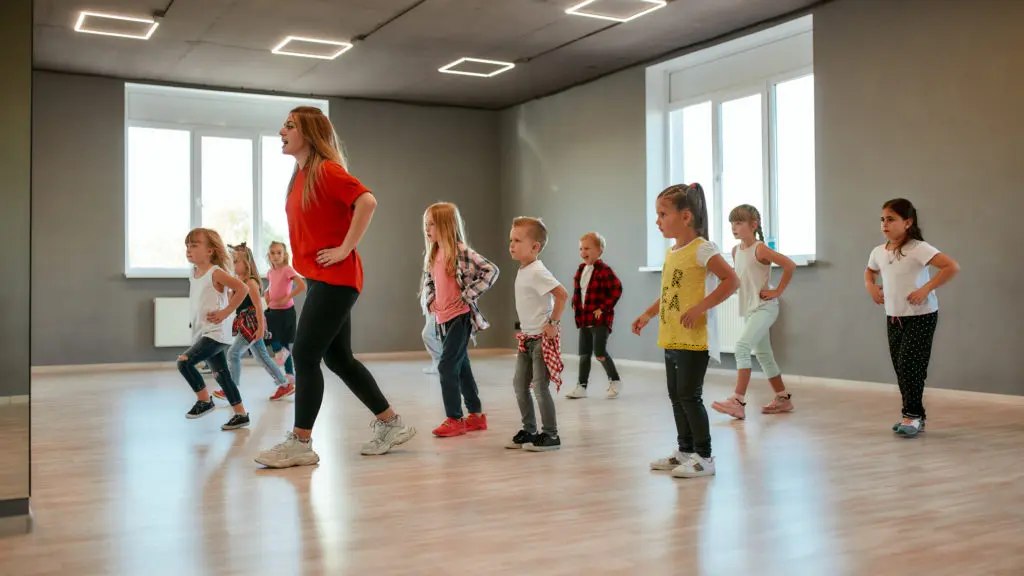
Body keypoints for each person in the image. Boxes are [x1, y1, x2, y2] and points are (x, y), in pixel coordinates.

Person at [255, 106, 416, 468]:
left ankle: (301, 442)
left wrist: (345, 247)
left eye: (290, 125)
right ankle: (391, 423)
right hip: (321, 279)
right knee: (338, 358)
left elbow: (367, 201)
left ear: (309, 134)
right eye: (283, 123)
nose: (282, 130)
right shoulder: (300, 175)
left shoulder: (326, 170)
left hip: (337, 278)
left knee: (306, 355)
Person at [632, 184, 739, 478]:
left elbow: (731, 281)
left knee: (690, 396)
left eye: (663, 214)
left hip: (695, 338)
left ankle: (704, 457)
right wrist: (648, 314)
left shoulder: (703, 248)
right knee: (676, 396)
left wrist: (701, 307)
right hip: (672, 334)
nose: (658, 221)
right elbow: (668, 293)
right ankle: (685, 450)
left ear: (686, 216)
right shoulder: (672, 252)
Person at [865, 198, 959, 438]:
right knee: (901, 367)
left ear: (907, 222)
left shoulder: (919, 248)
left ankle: (912, 416)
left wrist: (925, 289)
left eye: (891, 219)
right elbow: (870, 271)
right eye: (882, 220)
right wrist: (871, 286)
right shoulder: (878, 251)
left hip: (921, 316)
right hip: (894, 317)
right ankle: (914, 415)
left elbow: (950, 267)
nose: (885, 224)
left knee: (911, 365)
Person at [420, 202, 499, 437]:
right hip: (442, 318)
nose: (427, 229)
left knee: (446, 366)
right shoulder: (433, 253)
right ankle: (476, 416)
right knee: (462, 367)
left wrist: (467, 295)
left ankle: (454, 418)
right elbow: (429, 280)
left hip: (461, 318)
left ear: (446, 226)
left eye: (432, 224)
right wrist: (431, 300)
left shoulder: (462, 252)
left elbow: (491, 271)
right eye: (426, 224)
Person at [711, 205, 796, 419]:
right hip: (750, 310)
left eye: (739, 223)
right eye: (732, 223)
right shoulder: (735, 251)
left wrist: (778, 290)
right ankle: (783, 398)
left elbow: (789, 265)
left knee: (741, 347)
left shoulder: (760, 249)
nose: (734, 227)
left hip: (765, 308)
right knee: (764, 355)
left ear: (753, 225)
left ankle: (738, 401)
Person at [177, 228, 251, 431]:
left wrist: (226, 311)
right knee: (221, 374)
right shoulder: (194, 272)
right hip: (204, 331)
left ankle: (204, 401)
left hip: (216, 332)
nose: (188, 250)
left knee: (184, 362)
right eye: (187, 246)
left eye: (194, 245)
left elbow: (242, 288)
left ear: (210, 251)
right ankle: (241, 414)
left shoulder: (216, 273)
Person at [506, 217, 568, 452]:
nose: (511, 244)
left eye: (517, 240)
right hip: (527, 339)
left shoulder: (538, 271)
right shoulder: (524, 270)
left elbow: (562, 295)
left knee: (540, 388)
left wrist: (553, 323)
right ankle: (529, 430)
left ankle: (551, 435)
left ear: (535, 247)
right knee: (520, 385)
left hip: (542, 339)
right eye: (511, 240)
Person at [566, 231, 624, 400]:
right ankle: (581, 386)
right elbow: (580, 291)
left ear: (599, 251)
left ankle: (615, 380)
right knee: (584, 355)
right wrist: (575, 303)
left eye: (587, 248)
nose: (583, 252)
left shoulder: (605, 271)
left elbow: (617, 289)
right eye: (580, 249)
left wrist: (604, 308)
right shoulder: (581, 269)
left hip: (599, 320)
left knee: (599, 352)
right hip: (584, 320)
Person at [264, 240, 304, 400]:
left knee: (283, 344)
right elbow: (272, 286)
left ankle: (288, 378)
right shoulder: (270, 272)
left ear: (284, 255)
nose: (275, 256)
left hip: (286, 312)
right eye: (272, 253)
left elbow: (302, 286)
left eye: (279, 252)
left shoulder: (287, 269)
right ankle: (289, 377)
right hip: (272, 310)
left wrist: (286, 298)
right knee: (276, 341)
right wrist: (266, 292)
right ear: (269, 255)